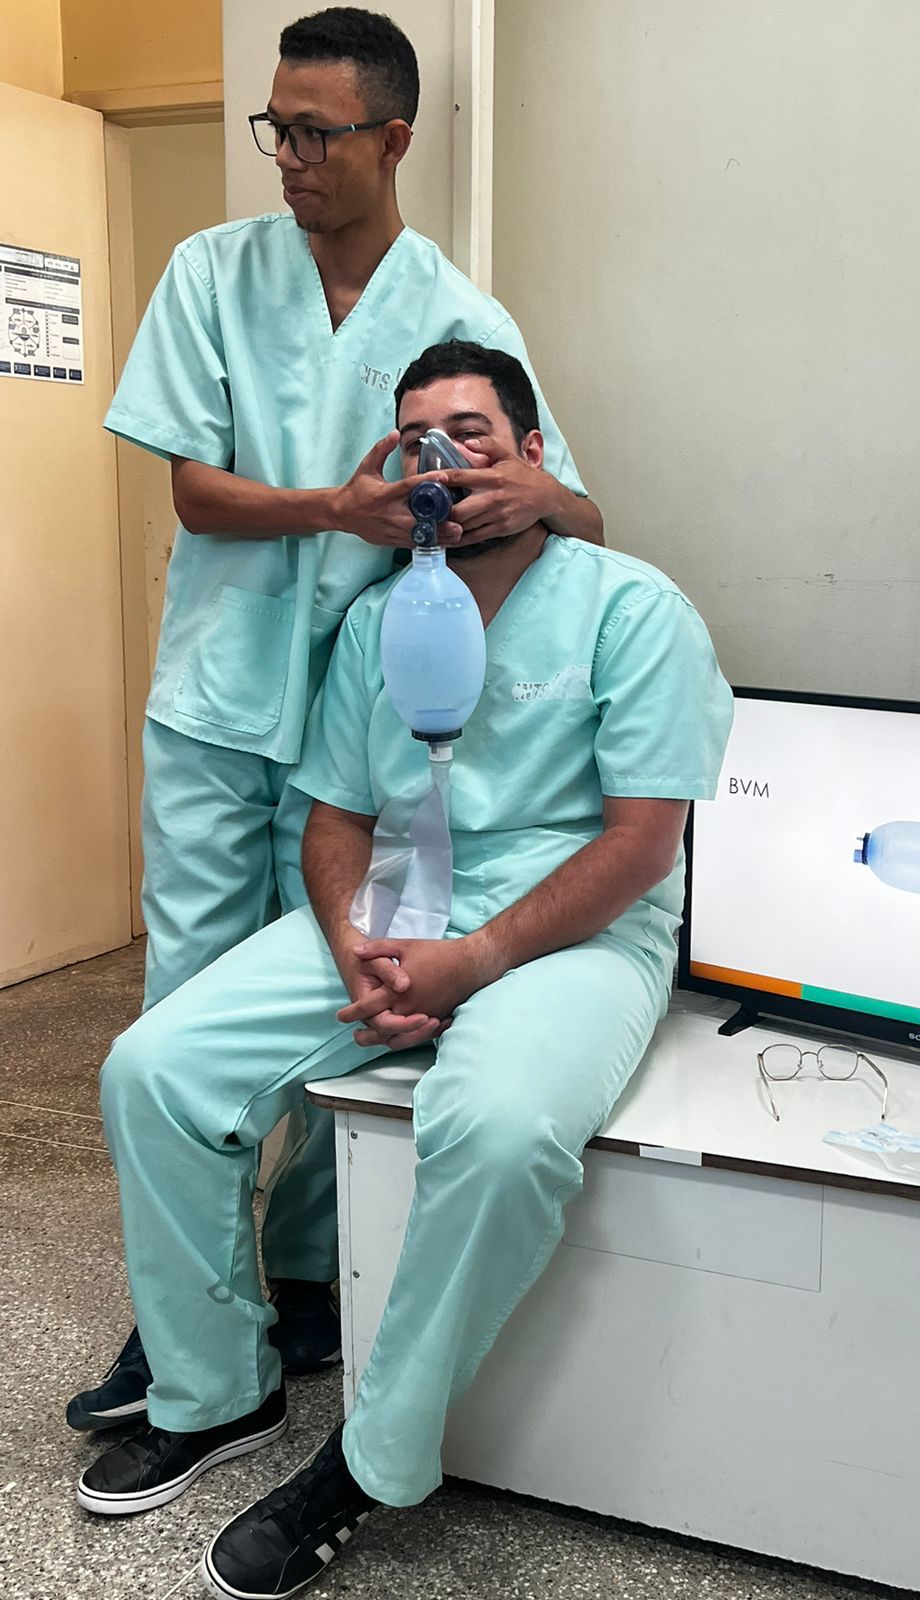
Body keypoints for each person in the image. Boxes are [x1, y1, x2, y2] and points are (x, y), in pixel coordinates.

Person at [76, 341, 733, 1598]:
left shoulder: (632, 607)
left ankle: (370, 1458)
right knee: (153, 1068)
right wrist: (355, 945)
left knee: (496, 1124)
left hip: (577, 925)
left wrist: (472, 960)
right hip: (393, 909)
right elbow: (334, 814)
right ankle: (213, 1387)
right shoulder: (380, 617)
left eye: (472, 433)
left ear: (534, 455)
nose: (444, 461)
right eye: (419, 437)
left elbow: (643, 843)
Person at [70, 7, 602, 1427]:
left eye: (317, 132)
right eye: (278, 130)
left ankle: (305, 1275)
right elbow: (195, 492)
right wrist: (335, 508)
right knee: (187, 1012)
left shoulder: (464, 316)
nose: (291, 157)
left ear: (394, 137)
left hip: (370, 733)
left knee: (337, 984)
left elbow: (557, 505)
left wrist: (536, 498)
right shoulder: (212, 271)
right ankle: (185, 1312)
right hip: (219, 699)